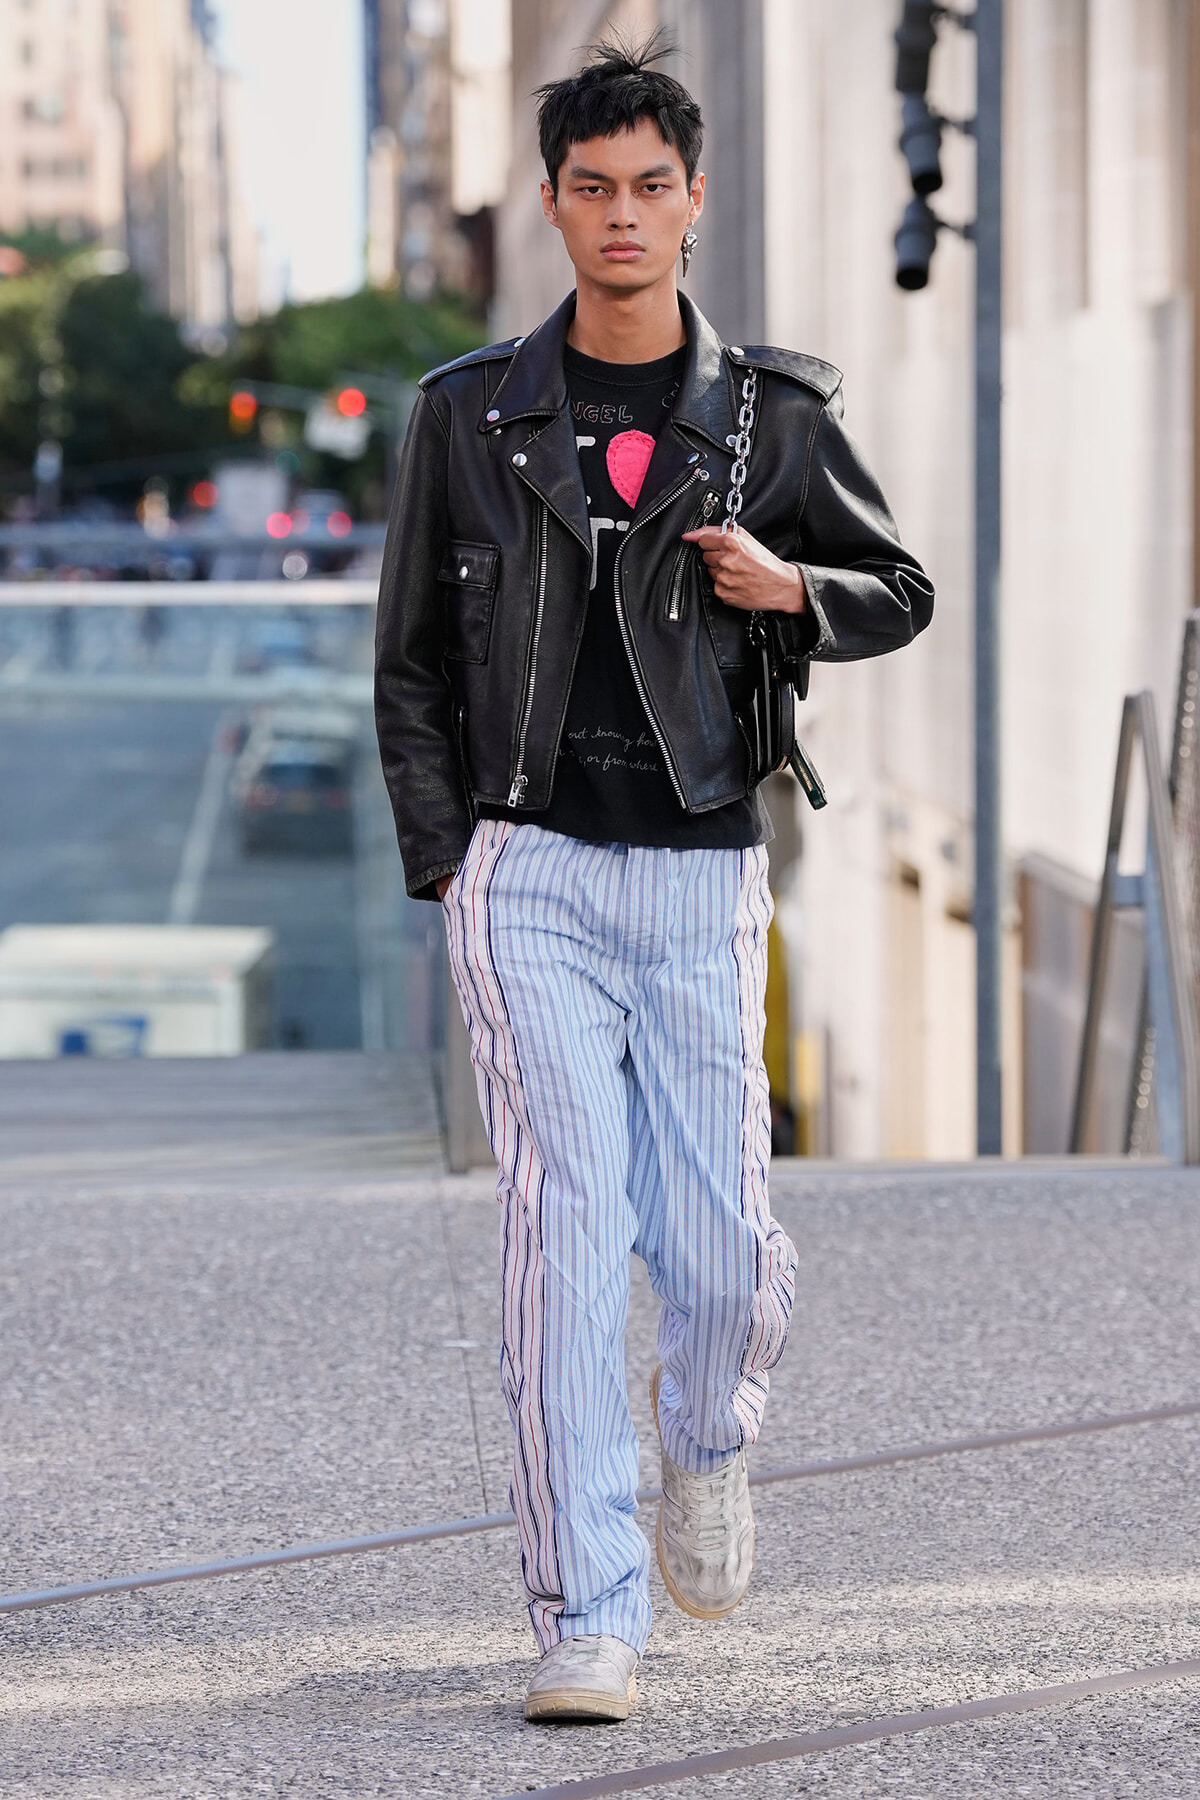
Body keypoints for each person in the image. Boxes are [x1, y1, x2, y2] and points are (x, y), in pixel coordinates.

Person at [374, 33, 933, 1724]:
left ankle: (709, 1443)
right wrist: (449, 861)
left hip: (701, 862)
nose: (622, 215)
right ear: (552, 205)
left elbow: (895, 586)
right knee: (561, 1225)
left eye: (651, 188)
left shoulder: (772, 416)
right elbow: (406, 660)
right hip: (529, 862)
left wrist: (789, 591)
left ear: (694, 201)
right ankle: (585, 1613)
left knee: (713, 1246)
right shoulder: (469, 415)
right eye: (592, 188)